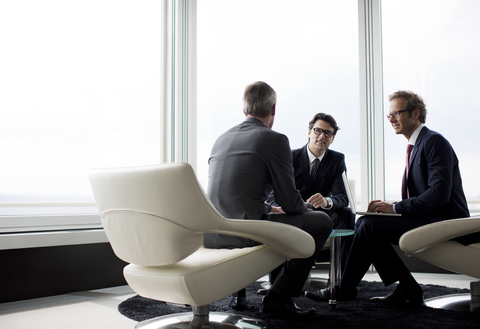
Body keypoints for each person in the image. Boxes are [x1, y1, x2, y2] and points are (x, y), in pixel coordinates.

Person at [305, 90, 470, 305]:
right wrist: (391, 207)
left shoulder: (434, 142)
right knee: (367, 224)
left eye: (397, 113)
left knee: (369, 226)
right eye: (389, 115)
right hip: (428, 217)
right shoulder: (418, 144)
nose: (391, 118)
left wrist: (394, 209)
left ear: (415, 113)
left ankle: (345, 289)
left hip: (443, 222)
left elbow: (438, 195)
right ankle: (407, 287)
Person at [203, 81, 333, 316]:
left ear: (244, 110)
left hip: (211, 232)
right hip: (246, 232)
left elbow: (232, 194)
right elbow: (291, 202)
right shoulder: (274, 139)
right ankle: (279, 297)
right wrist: (304, 205)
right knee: (322, 222)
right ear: (273, 109)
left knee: (281, 216)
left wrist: (270, 209)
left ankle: (238, 295)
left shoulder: (220, 139)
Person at [267, 113, 354, 282]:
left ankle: (340, 281)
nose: (322, 136)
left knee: (347, 215)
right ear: (309, 132)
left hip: (322, 214)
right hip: (293, 212)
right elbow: (272, 194)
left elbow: (342, 197)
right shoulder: (290, 157)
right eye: (318, 130)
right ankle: (278, 281)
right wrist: (285, 207)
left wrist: (327, 201)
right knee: (277, 215)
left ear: (332, 138)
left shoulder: (337, 159)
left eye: (327, 133)